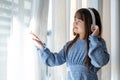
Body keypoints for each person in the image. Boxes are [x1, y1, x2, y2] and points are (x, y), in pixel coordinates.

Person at [30, 8, 110, 80]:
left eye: (79, 21)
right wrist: (41, 47)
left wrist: (94, 38)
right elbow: (53, 60)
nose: (75, 23)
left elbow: (100, 61)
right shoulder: (69, 46)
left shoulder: (97, 43)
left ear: (91, 25)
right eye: (74, 20)